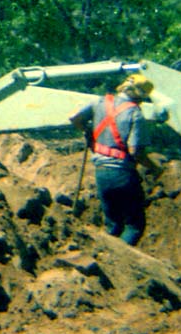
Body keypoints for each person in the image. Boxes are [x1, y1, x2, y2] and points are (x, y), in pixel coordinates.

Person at [69, 73, 161, 246]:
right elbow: (135, 151)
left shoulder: (99, 102)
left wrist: (88, 132)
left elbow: (74, 118)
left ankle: (107, 256)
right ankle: (122, 259)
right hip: (123, 175)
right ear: (140, 96)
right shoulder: (135, 114)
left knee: (113, 226)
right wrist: (155, 169)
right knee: (134, 226)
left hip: (101, 173)